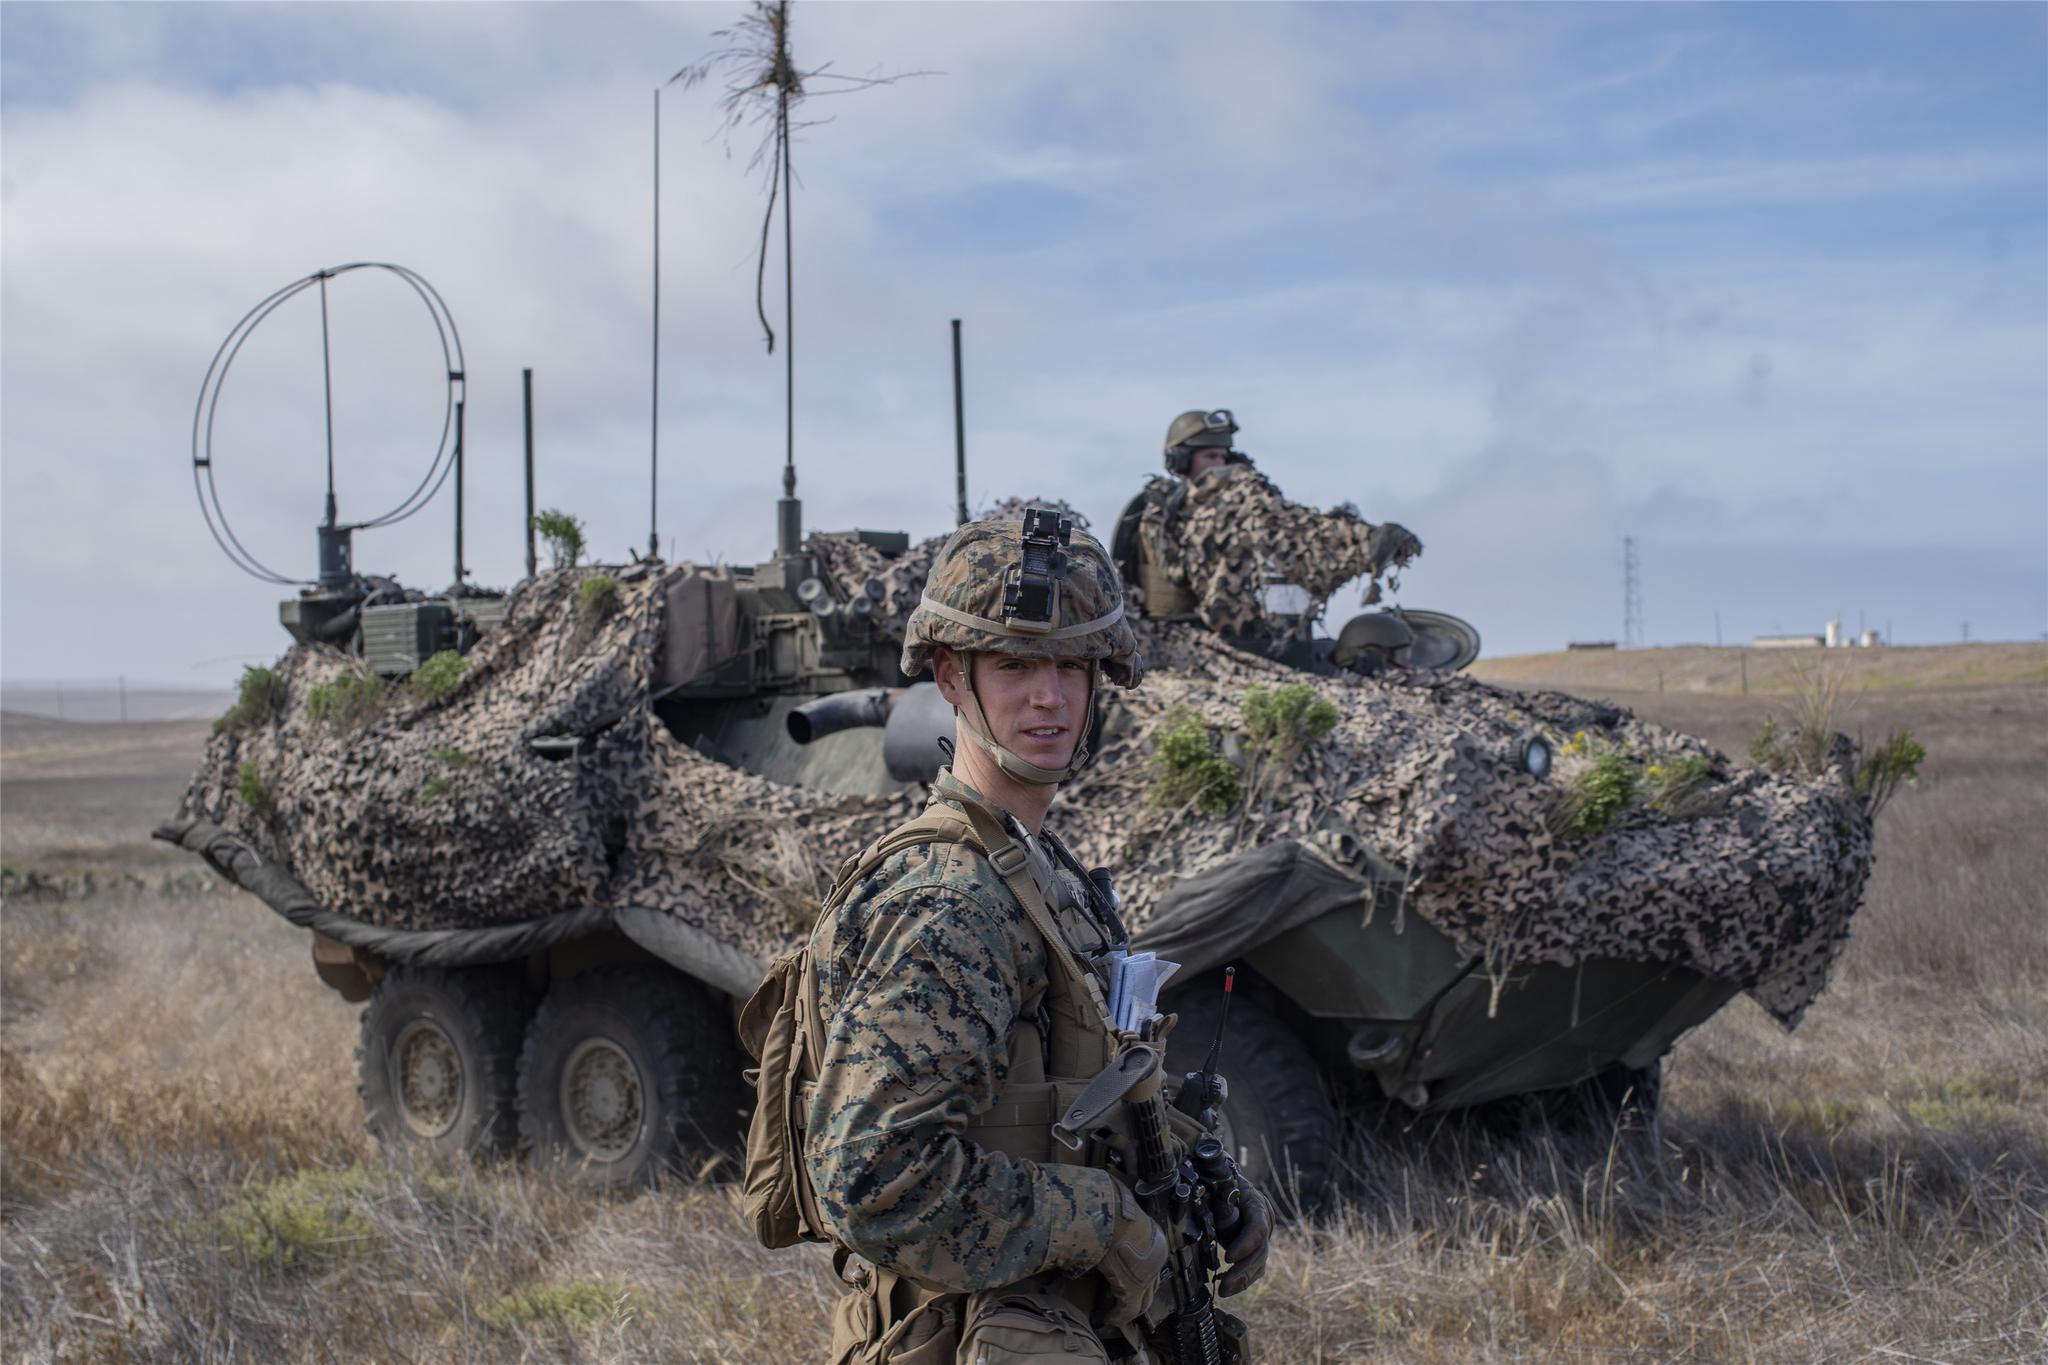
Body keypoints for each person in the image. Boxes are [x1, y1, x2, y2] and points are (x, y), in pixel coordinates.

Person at [799, 509, 1271, 1363]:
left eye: (1070, 665)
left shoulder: (1036, 867)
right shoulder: (950, 902)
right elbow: (871, 1180)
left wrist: (1203, 1184)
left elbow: (1075, 1094)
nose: (1049, 695)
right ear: (951, 675)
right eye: (1014, 665)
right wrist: (1103, 1221)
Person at [1113, 408, 1426, 652]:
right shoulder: (1164, 512)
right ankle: (1361, 545)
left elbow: (1290, 529)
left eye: (1224, 456)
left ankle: (1363, 543)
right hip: (1180, 638)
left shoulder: (1244, 504)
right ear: (1180, 461)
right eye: (1210, 457)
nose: (1222, 466)